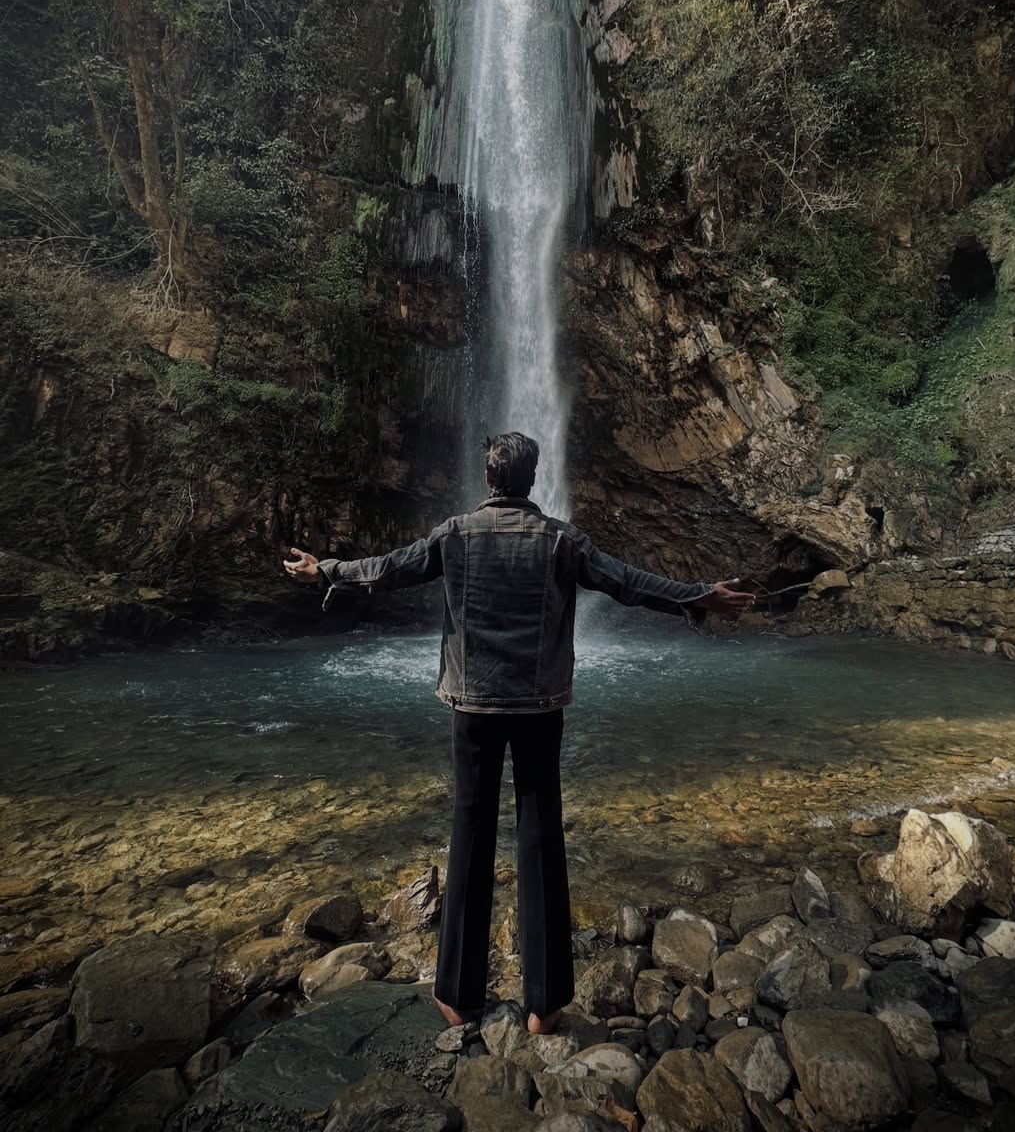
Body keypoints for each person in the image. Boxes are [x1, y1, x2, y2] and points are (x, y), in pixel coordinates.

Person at [284, 431, 754, 1035]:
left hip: (473, 707)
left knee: (470, 835)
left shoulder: (454, 534)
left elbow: (389, 569)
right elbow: (627, 582)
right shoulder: (561, 539)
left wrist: (325, 569)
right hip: (538, 707)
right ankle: (545, 1003)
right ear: (532, 481)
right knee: (540, 837)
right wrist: (697, 596)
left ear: (488, 479)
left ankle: (459, 997)